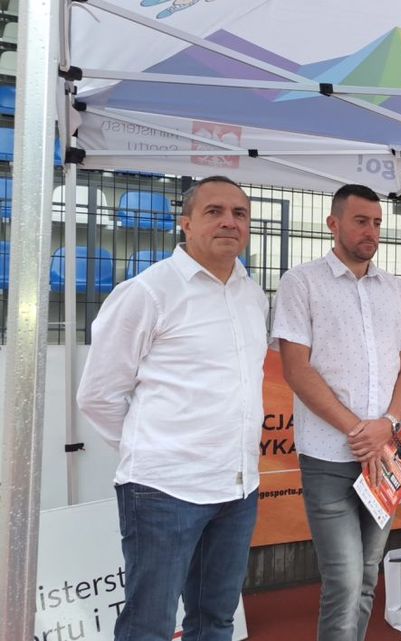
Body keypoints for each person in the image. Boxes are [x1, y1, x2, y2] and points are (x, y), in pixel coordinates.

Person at [77, 176, 267, 641]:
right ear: (184, 223)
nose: (229, 221)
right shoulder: (148, 292)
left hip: (237, 488)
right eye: (214, 211)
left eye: (239, 214)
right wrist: (153, 447)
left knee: (215, 621)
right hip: (165, 491)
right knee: (149, 627)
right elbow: (98, 395)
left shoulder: (252, 294)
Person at [272, 184, 401, 641]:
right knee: (342, 579)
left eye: (377, 223)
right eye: (361, 221)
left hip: (386, 459)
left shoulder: (396, 290)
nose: (371, 231)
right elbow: (296, 370)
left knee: (367, 576)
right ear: (333, 224)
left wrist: (389, 425)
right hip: (328, 457)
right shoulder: (301, 282)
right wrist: (359, 430)